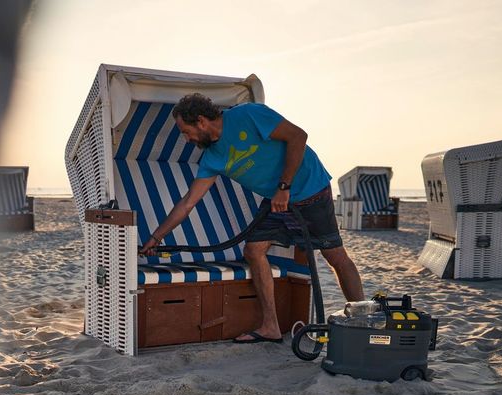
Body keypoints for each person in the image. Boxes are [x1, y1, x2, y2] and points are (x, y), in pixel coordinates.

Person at [139, 93, 364, 344]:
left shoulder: (248, 114)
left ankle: (361, 319)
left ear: (201, 121)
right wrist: (156, 237)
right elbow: (188, 202)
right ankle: (270, 326)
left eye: (185, 131)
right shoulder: (213, 158)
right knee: (254, 250)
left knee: (335, 256)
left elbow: (298, 136)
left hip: (309, 188)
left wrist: (284, 186)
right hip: (277, 199)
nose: (186, 138)